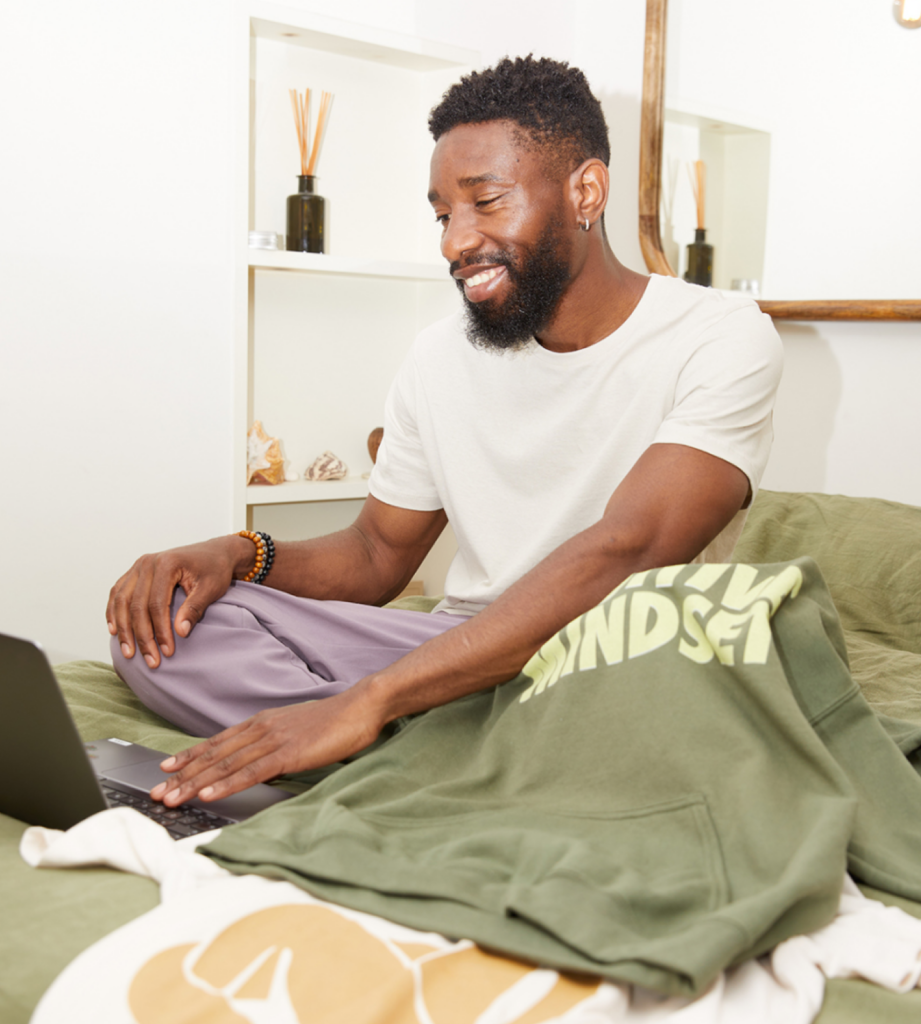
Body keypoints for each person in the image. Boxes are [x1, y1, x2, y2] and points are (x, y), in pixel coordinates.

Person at [106, 55, 782, 809]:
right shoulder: (438, 355)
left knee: (642, 698)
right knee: (164, 630)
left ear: (585, 191)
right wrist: (237, 553)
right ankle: (455, 755)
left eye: (486, 202)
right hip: (451, 653)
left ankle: (399, 744)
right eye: (442, 214)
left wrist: (369, 700)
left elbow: (628, 548)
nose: (454, 243)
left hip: (614, 661)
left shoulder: (720, 337)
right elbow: (375, 554)